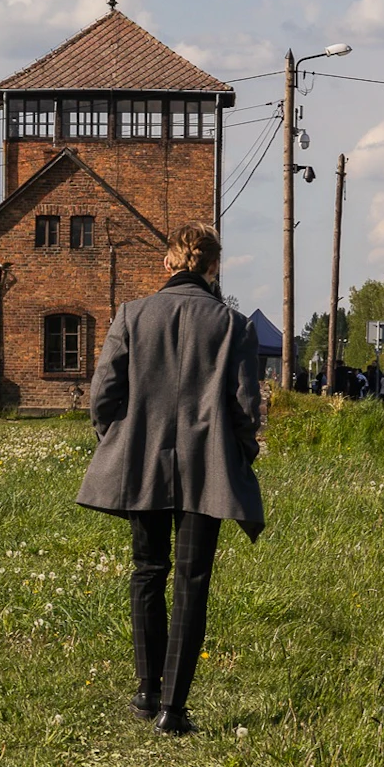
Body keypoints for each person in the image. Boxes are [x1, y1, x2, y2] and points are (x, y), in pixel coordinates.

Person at [76, 222, 265, 737]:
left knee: (147, 570)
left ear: (167, 263)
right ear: (212, 266)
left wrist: (118, 442)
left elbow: (103, 397)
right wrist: (239, 453)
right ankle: (174, 711)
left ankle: (145, 692)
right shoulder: (233, 325)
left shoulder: (132, 316)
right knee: (192, 581)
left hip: (142, 462)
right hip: (209, 467)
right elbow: (247, 409)